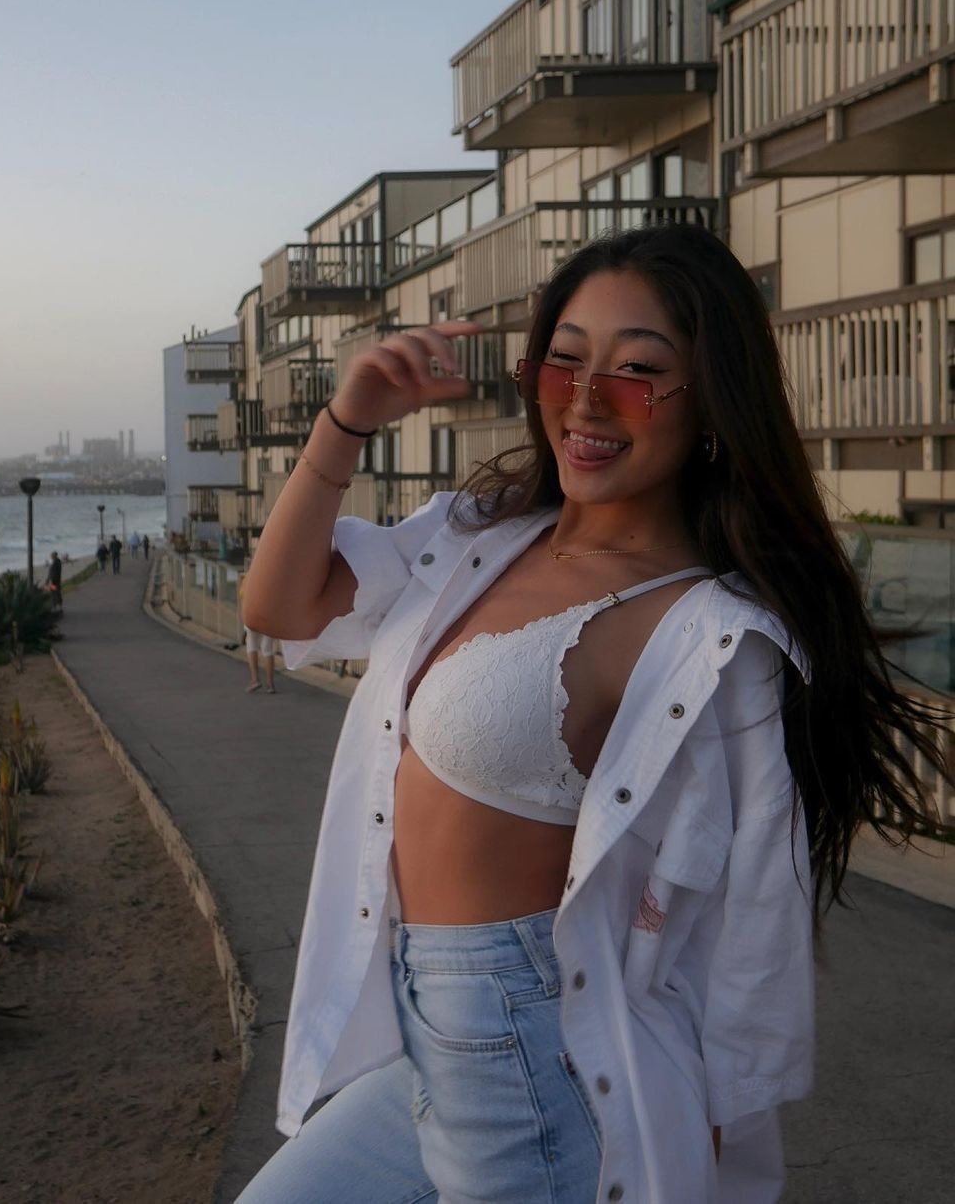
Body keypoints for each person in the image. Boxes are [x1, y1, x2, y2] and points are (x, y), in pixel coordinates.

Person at [235, 223, 952, 1204]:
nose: (586, 398)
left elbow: (753, 919)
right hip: (420, 1029)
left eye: (639, 371)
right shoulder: (477, 535)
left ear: (711, 401)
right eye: (565, 360)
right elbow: (279, 605)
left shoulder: (710, 633)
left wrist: (713, 1141)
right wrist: (347, 419)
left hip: (532, 1051)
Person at [238, 572, 277, 693]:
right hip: (269, 616)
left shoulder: (248, 578)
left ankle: (255, 680)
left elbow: (243, 596)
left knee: (251, 646)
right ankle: (270, 684)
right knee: (267, 649)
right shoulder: (273, 579)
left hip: (252, 614)